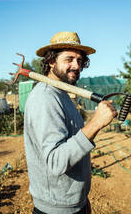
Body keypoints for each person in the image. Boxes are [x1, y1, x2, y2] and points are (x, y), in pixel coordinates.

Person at [24, 31, 117, 214]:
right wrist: (95, 123)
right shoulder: (45, 99)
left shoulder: (62, 94)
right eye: (69, 59)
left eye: (80, 61)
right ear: (51, 61)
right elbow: (56, 162)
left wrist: (82, 199)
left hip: (73, 204)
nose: (76, 66)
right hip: (55, 210)